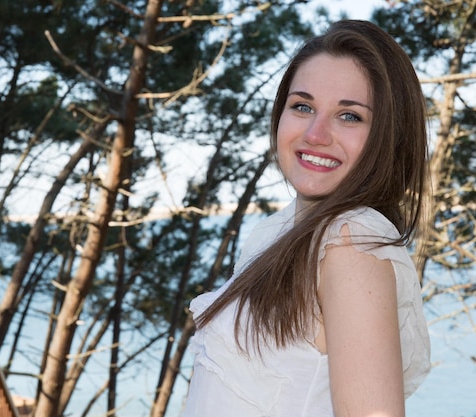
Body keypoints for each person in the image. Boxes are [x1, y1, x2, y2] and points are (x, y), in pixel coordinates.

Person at [181, 19, 431, 417]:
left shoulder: (351, 243)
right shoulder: (277, 233)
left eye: (349, 116)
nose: (315, 133)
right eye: (303, 106)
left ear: (389, 137)